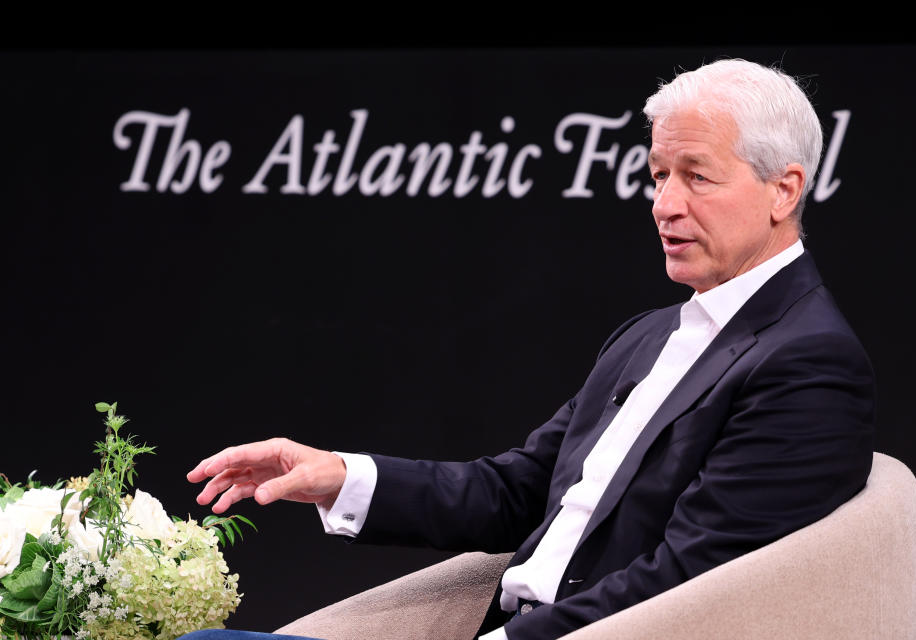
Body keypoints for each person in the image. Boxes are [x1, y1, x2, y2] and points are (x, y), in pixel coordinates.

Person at [182, 59, 875, 640]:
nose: (664, 204)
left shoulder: (807, 364)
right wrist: (339, 475)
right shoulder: (650, 334)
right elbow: (515, 491)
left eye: (696, 176)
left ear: (784, 190)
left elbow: (684, 584)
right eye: (658, 175)